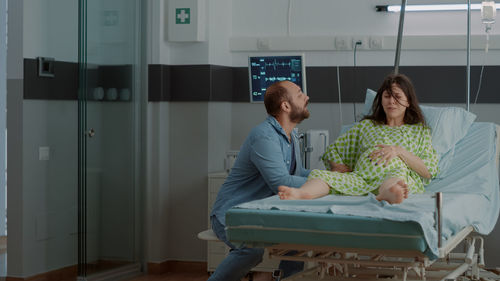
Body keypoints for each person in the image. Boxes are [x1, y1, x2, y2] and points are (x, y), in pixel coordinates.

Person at [278, 73, 439, 204]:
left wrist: (398, 151)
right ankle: (302, 193)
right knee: (322, 175)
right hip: (361, 178)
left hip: (396, 174)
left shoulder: (419, 131)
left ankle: (388, 193)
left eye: (397, 96)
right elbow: (334, 149)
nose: (391, 101)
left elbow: (427, 171)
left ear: (408, 101)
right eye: (387, 96)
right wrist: (338, 166)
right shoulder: (367, 126)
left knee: (397, 177)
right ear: (381, 100)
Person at [208, 80, 311, 281]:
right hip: (231, 214)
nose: (306, 97)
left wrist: (332, 178)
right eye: (300, 94)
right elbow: (281, 181)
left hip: (259, 216)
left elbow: (298, 173)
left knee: (297, 239)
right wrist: (328, 186)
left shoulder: (292, 135)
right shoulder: (264, 136)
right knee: (251, 252)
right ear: (285, 105)